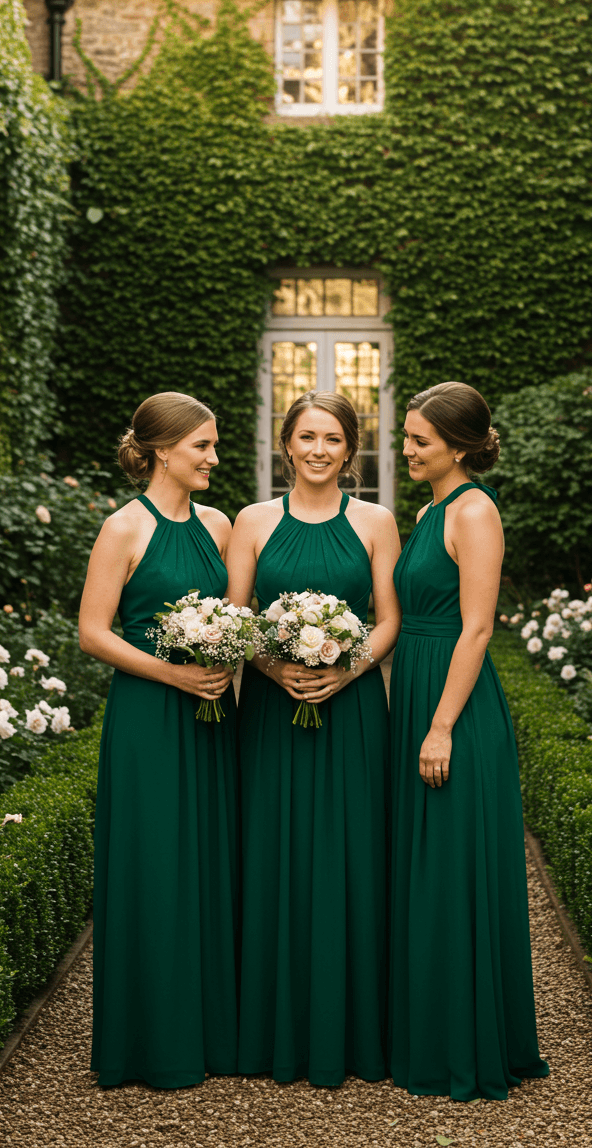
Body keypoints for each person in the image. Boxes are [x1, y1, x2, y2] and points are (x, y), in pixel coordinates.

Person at [225, 389, 401, 1086]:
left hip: (353, 712)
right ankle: (275, 1032)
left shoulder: (378, 521)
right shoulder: (253, 520)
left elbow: (386, 618)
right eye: (307, 438)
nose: (319, 450)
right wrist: (274, 667)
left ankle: (355, 1032)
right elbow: (237, 617)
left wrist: (347, 670)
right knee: (272, 856)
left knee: (351, 858)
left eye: (333, 439)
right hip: (272, 713)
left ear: (350, 450)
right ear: (286, 445)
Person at [389, 380, 549, 1101]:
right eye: (408, 436)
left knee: (452, 874)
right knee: (424, 874)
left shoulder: (475, 510)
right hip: (420, 693)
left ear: (458, 444)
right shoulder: (430, 511)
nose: (407, 449)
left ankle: (468, 1046)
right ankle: (426, 1031)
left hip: (454, 707)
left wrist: (442, 725)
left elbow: (478, 627)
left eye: (419, 439)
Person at [79, 391, 238, 1089]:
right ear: (162, 451)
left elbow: (238, 617)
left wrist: (230, 659)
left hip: (213, 718)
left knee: (209, 861)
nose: (212, 457)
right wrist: (175, 677)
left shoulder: (220, 525)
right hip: (149, 715)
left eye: (212, 445)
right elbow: (92, 631)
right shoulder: (123, 528)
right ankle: (148, 1043)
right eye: (202, 445)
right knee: (153, 867)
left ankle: (211, 1033)